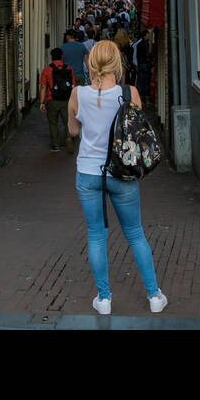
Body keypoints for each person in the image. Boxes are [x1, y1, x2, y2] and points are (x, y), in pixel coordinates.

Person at [68, 40, 168, 315]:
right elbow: (138, 131)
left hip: (89, 173)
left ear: (91, 63)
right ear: (117, 63)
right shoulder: (130, 92)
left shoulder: (78, 93)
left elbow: (74, 131)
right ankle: (154, 296)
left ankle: (104, 299)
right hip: (122, 172)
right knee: (135, 234)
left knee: (96, 236)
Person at [39, 47, 77, 154]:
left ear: (51, 57)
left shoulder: (47, 70)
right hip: (66, 100)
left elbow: (43, 87)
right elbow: (73, 86)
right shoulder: (69, 68)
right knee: (67, 122)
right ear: (62, 57)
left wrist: (42, 102)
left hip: (52, 100)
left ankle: (55, 146)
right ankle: (68, 137)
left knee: (53, 123)